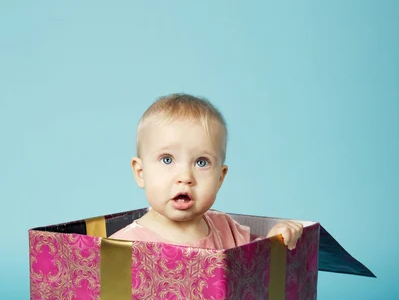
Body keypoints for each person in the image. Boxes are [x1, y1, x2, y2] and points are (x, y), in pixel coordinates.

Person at [109, 94, 303, 249]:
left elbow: (254, 269)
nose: (185, 177)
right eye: (167, 159)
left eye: (201, 162)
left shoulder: (226, 228)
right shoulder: (123, 246)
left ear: (220, 178)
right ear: (141, 172)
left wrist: (274, 240)